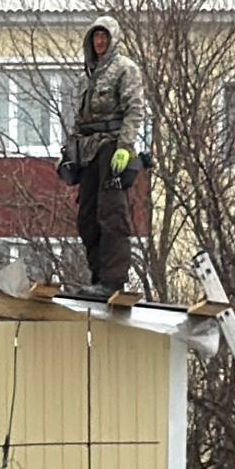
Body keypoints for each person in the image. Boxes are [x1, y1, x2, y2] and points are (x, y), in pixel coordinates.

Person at [58, 15, 150, 294]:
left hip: (112, 147)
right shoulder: (86, 75)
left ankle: (113, 280)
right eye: (96, 37)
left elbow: (135, 110)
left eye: (104, 37)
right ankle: (98, 277)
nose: (99, 42)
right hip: (87, 150)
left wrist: (124, 148)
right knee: (87, 216)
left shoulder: (125, 69)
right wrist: (68, 152)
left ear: (113, 39)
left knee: (112, 213)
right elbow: (79, 119)